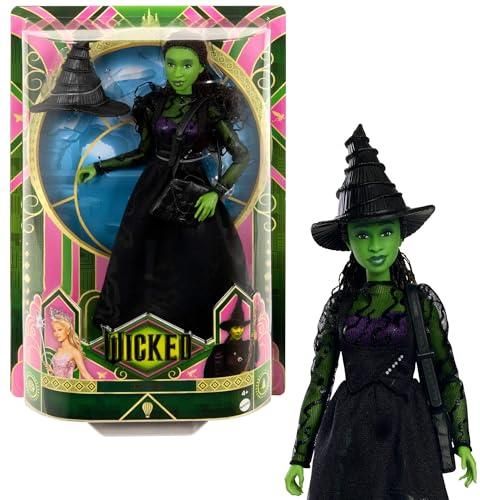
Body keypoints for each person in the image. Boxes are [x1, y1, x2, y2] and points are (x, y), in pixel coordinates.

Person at [285, 125, 476, 499]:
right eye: (363, 234)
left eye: (385, 232)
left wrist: (463, 441)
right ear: (348, 239)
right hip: (349, 433)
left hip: (408, 432)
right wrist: (299, 457)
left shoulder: (418, 302)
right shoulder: (341, 306)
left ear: (401, 234)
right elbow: (319, 382)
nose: (375, 246)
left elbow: (447, 373)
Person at [77, 40, 250, 341]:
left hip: (193, 190)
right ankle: (132, 329)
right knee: (139, 254)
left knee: (197, 258)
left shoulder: (209, 109)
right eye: (171, 64)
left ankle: (197, 332)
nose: (177, 72)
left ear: (200, 67)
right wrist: (100, 166)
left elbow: (242, 155)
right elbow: (142, 152)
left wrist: (216, 192)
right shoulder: (154, 105)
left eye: (186, 65)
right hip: (153, 187)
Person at [204, 296, 257, 377]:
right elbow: (210, 374)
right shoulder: (219, 350)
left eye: (241, 327)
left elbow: (256, 360)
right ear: (229, 330)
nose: (239, 331)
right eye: (235, 328)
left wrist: (255, 341)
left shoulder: (249, 344)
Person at [49, 309, 93, 380]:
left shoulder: (74, 352)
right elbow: (58, 373)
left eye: (60, 330)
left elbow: (85, 374)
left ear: (68, 331)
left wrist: (98, 385)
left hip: (67, 385)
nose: (56, 333)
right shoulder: (59, 350)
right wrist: (52, 371)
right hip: (56, 385)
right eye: (54, 330)